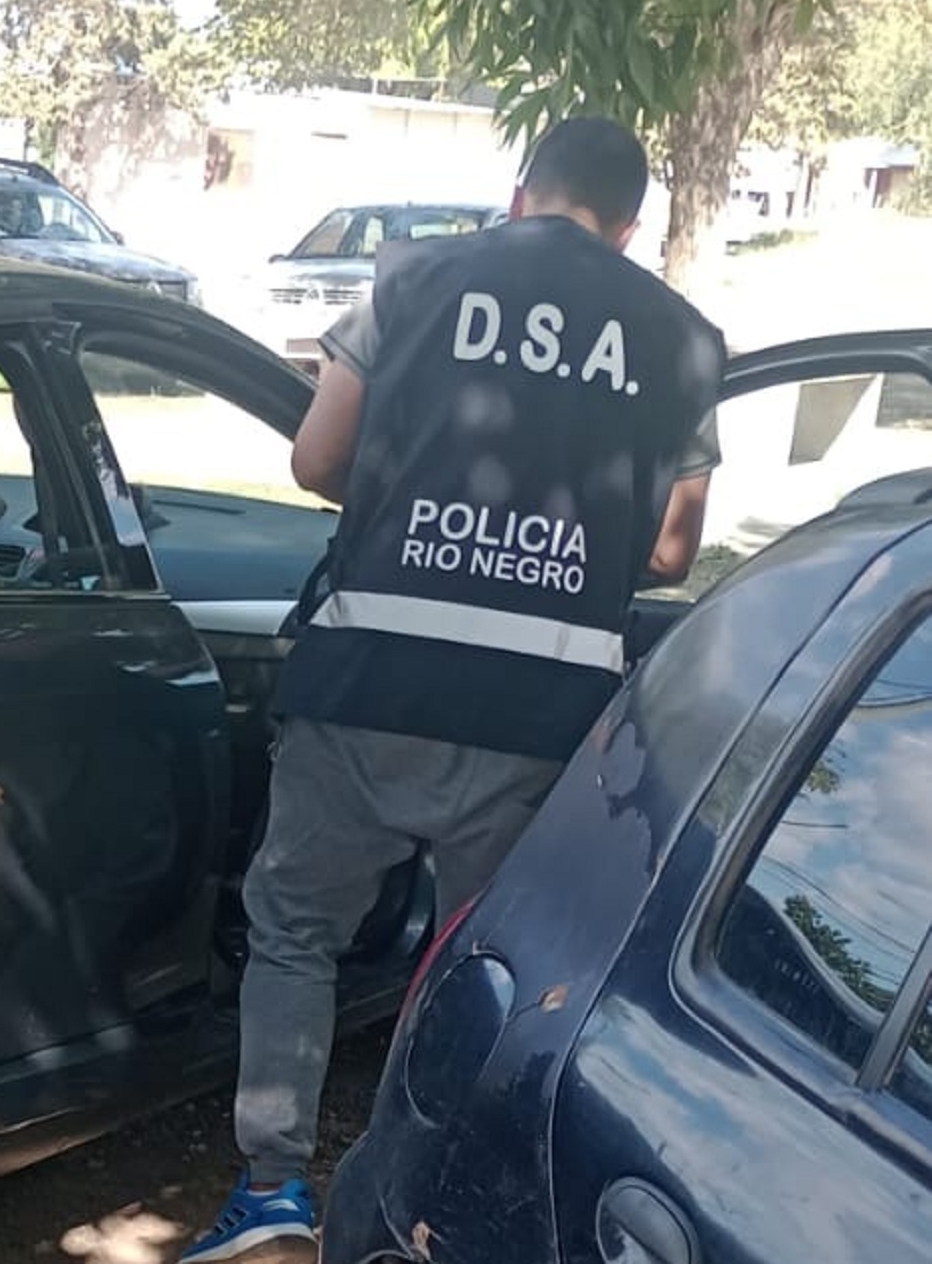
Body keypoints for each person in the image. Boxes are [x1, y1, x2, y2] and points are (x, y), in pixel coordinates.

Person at [181, 116, 727, 1263]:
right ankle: (425, 1198)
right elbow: (674, 551)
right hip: (541, 717)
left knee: (294, 930)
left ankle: (273, 1188)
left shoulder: (415, 278)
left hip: (370, 677)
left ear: (522, 193)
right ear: (631, 225)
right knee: (488, 972)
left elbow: (317, 461)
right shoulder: (682, 338)